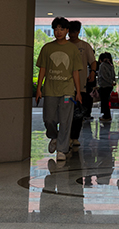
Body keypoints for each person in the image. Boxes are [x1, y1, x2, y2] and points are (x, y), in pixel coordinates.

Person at [35, 16, 84, 162]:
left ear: (67, 30)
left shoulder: (72, 49)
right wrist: (39, 88)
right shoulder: (47, 48)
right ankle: (53, 136)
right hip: (50, 90)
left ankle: (62, 149)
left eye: (62, 29)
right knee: (49, 119)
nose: (58, 32)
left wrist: (78, 92)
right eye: (56, 29)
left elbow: (75, 72)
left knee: (65, 120)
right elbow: (43, 69)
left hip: (67, 91)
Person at [68, 20, 97, 150]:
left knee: (78, 112)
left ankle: (75, 137)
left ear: (78, 32)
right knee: (67, 111)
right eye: (70, 31)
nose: (71, 34)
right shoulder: (65, 45)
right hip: (66, 86)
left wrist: (93, 72)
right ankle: (67, 136)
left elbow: (93, 61)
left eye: (74, 31)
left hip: (81, 86)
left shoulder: (84, 46)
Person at [96, 52, 115, 121]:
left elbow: (104, 76)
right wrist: (112, 82)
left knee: (104, 101)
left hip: (104, 86)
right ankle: (106, 115)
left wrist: (109, 82)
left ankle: (106, 116)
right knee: (106, 101)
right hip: (109, 86)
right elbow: (113, 75)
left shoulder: (102, 65)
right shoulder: (110, 65)